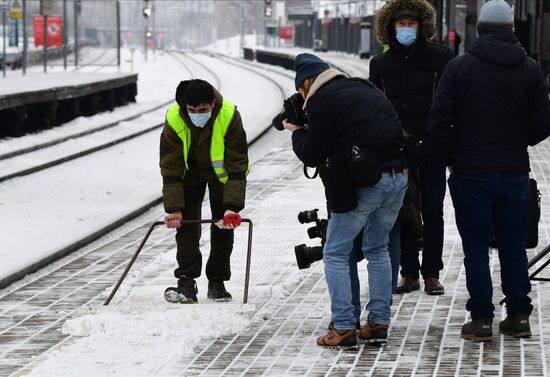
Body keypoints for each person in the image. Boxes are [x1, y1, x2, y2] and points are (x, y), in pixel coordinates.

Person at [429, 0, 550, 342]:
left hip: (470, 173)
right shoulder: (529, 68)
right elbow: (543, 122)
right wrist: (518, 141)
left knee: (476, 247)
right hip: (513, 171)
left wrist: (450, 156)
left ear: (478, 29)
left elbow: (439, 121)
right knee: (513, 245)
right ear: (512, 29)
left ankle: (481, 319)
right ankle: (518, 316)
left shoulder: (459, 67)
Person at [283, 53, 408, 348]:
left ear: (306, 84)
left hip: (368, 181)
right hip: (399, 176)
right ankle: (378, 322)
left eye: (302, 91)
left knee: (336, 251)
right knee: (377, 248)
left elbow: (312, 153)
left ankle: (342, 327)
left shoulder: (322, 99)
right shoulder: (363, 86)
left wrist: (298, 131)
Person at [369, 0, 454, 296]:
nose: (406, 28)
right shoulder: (381, 64)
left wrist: (445, 145)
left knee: (432, 210)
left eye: (412, 24)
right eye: (401, 24)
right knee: (402, 212)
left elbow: (449, 105)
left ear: (422, 26)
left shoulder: (441, 58)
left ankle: (431, 273)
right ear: (391, 27)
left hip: (432, 148)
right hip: (396, 151)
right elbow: (374, 107)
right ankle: (409, 272)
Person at [160, 79, 249, 304]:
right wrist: (174, 209)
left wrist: (233, 207)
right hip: (189, 175)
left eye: (203, 110)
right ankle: (186, 280)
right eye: (192, 111)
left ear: (212, 103)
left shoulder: (229, 115)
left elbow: (238, 164)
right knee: (187, 227)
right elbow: (170, 168)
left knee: (223, 226)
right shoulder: (174, 118)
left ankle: (217, 281)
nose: (197, 114)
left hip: (222, 175)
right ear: (184, 107)